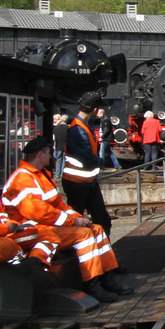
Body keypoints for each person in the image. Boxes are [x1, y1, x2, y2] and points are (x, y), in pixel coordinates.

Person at [3, 135, 126, 300]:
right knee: (84, 235)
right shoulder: (23, 179)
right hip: (30, 230)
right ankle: (91, 282)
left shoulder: (40, 175)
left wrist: (77, 217)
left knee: (96, 228)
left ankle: (107, 277)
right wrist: (73, 221)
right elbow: (37, 212)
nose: (51, 157)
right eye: (48, 153)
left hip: (46, 226)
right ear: (40, 155)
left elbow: (59, 205)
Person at [61, 93, 113, 235]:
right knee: (78, 221)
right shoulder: (77, 130)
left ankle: (101, 252)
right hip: (77, 182)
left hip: (87, 181)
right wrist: (101, 162)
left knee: (102, 220)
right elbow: (86, 157)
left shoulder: (83, 126)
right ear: (95, 109)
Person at [138, 102, 162, 168]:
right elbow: (160, 130)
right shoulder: (157, 121)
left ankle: (146, 167)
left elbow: (142, 131)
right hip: (155, 139)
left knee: (147, 153)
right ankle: (154, 167)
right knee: (154, 153)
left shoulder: (145, 122)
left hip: (147, 140)